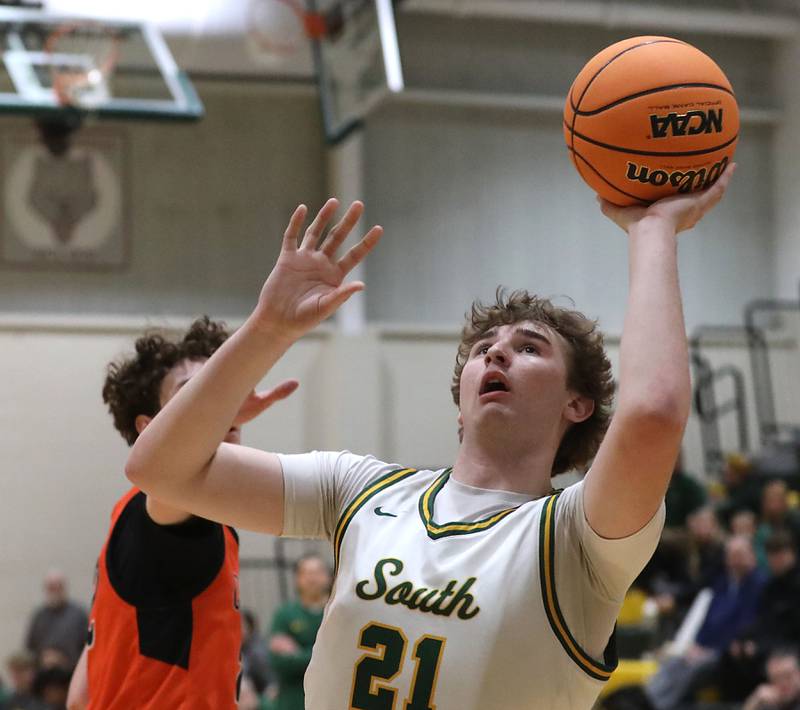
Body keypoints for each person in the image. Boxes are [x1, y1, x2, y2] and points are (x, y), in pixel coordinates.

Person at [126, 168, 735, 709]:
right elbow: (159, 470)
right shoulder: (360, 491)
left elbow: (653, 412)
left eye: (529, 347)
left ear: (578, 404)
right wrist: (267, 329)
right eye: (484, 349)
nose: (498, 349)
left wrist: (653, 230)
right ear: (461, 406)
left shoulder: (576, 538)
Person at [66, 317, 297, 710]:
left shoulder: (135, 516)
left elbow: (78, 698)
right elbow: (172, 473)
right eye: (197, 394)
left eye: (224, 388)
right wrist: (270, 328)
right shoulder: (163, 509)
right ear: (150, 428)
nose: (224, 403)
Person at [645, 535, 767, 710]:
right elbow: (709, 619)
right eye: (731, 555)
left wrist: (710, 648)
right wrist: (697, 644)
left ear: (752, 555)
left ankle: (659, 706)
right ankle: (646, 701)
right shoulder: (722, 582)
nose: (735, 560)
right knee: (673, 663)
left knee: (691, 670)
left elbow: (746, 625)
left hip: (726, 651)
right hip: (705, 646)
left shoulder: (759, 585)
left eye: (739, 554)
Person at [268, 554, 331, 710]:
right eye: (306, 573)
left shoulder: (338, 613)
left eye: (317, 572)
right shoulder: (285, 614)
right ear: (297, 579)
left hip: (331, 698)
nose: (312, 578)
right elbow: (278, 662)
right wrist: (324, 655)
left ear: (329, 577)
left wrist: (298, 653)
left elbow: (344, 657)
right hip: (293, 700)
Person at [25, 571, 87, 669]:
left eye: (57, 587)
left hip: (71, 671)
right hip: (44, 674)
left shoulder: (79, 615)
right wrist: (43, 657)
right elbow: (29, 648)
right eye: (51, 588)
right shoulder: (39, 616)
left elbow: (87, 648)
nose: (54, 591)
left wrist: (63, 659)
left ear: (64, 588)